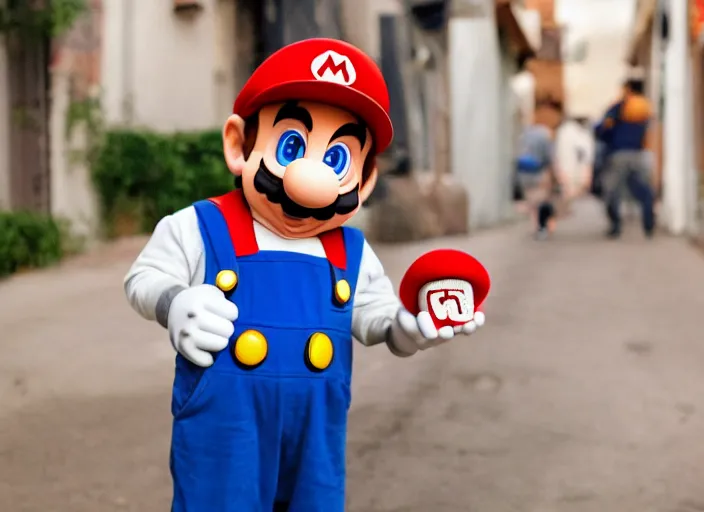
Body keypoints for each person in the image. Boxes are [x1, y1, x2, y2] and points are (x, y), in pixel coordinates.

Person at [123, 39, 488, 512]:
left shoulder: (352, 251)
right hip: (225, 430)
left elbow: (372, 312)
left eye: (337, 159)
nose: (313, 180)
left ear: (365, 179)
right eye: (292, 145)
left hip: (316, 434)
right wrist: (174, 302)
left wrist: (404, 327)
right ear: (239, 145)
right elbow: (143, 276)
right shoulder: (198, 226)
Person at [594, 78, 655, 238]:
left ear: (628, 89)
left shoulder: (620, 106)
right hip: (638, 154)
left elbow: (603, 128)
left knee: (612, 190)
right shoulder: (645, 107)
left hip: (618, 154)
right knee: (642, 190)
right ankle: (648, 225)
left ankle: (615, 226)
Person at [515, 99, 564, 240]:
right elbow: (549, 157)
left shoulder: (525, 133)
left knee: (532, 202)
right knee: (542, 200)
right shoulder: (545, 135)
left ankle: (536, 226)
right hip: (539, 172)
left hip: (524, 172)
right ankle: (542, 227)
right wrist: (555, 174)